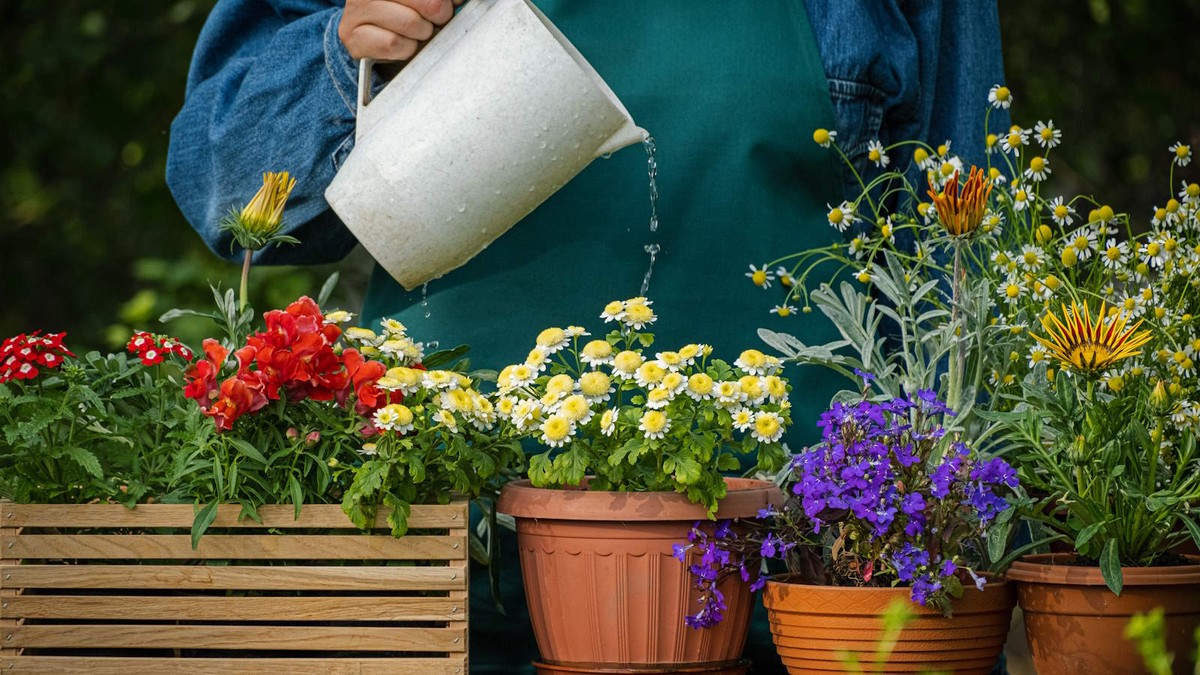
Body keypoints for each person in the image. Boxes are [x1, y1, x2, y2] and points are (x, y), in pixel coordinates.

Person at [167, 1, 1007, 672]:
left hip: (797, 604)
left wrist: (926, 549)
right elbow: (223, 184)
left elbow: (958, 280)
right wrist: (344, 50)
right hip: (447, 597)